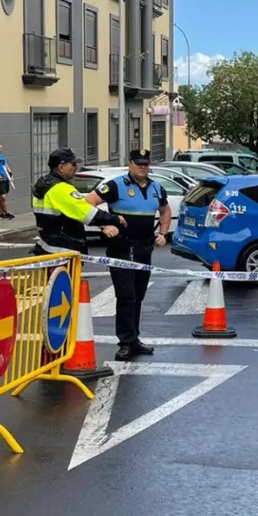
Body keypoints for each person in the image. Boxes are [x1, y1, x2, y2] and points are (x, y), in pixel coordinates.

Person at [85, 149, 171, 361]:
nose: (142, 167)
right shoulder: (115, 185)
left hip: (144, 249)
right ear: (130, 163)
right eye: (138, 163)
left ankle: (134, 339)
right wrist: (105, 224)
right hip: (121, 248)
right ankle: (125, 342)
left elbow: (165, 211)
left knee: (138, 295)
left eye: (145, 164)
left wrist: (163, 233)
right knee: (126, 296)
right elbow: (88, 202)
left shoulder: (156, 187)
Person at [31, 148, 121, 255]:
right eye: (73, 164)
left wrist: (103, 225)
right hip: (65, 251)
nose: (76, 167)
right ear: (61, 167)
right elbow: (87, 212)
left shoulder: (44, 185)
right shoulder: (60, 188)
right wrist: (115, 219)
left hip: (48, 247)